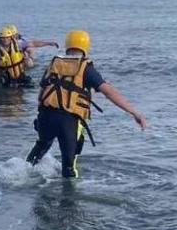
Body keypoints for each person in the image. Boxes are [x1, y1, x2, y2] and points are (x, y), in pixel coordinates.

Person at [26, 30, 147, 178]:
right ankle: (70, 200)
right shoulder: (86, 68)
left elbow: (42, 93)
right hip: (68, 121)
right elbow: (109, 92)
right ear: (85, 47)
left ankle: (23, 178)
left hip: (46, 117)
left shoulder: (54, 63)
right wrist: (134, 112)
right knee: (69, 168)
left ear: (67, 46)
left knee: (41, 147)